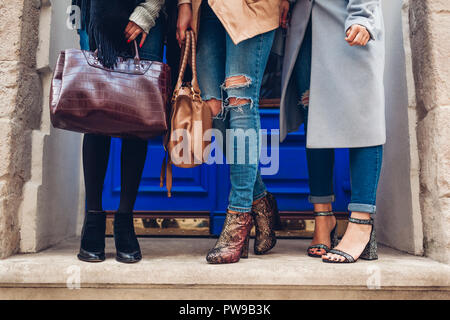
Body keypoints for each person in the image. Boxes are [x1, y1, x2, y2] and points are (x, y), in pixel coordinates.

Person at [177, 0, 290, 264]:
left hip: (251, 8)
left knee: (240, 104)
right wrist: (184, 4)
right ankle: (261, 202)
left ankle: (238, 217)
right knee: (213, 111)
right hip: (204, 10)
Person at [280, 0, 385, 263]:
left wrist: (363, 16)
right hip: (306, 24)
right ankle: (323, 218)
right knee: (314, 120)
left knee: (363, 119)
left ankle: (361, 222)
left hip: (349, 18)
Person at [73, 0, 165, 263]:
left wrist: (147, 11)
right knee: (96, 116)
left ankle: (124, 219)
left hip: (147, 16)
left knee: (137, 118)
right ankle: (93, 220)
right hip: (95, 15)